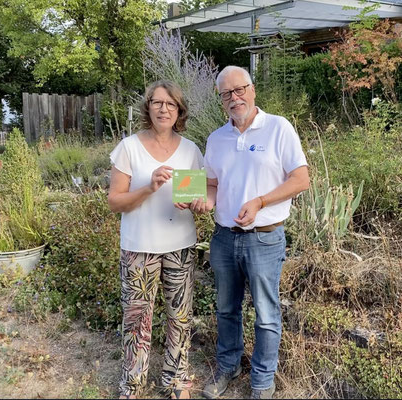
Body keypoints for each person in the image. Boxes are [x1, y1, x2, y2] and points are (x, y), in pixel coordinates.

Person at [192, 66, 309, 399]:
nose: (234, 98)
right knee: (226, 308)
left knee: (267, 314)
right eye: (227, 93)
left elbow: (301, 179)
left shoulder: (278, 128)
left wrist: (260, 201)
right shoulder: (216, 138)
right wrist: (203, 200)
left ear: (252, 90)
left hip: (265, 238)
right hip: (224, 237)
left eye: (239, 89)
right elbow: (213, 185)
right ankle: (228, 367)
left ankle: (262, 380)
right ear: (221, 100)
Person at [108, 80, 204, 400]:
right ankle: (133, 386)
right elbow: (115, 202)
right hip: (138, 246)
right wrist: (149, 187)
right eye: (158, 103)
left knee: (179, 317)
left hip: (179, 244)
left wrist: (192, 201)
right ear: (148, 107)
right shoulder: (129, 148)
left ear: (180, 111)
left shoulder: (190, 151)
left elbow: (196, 200)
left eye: (171, 104)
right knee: (137, 320)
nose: (164, 109)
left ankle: (175, 381)